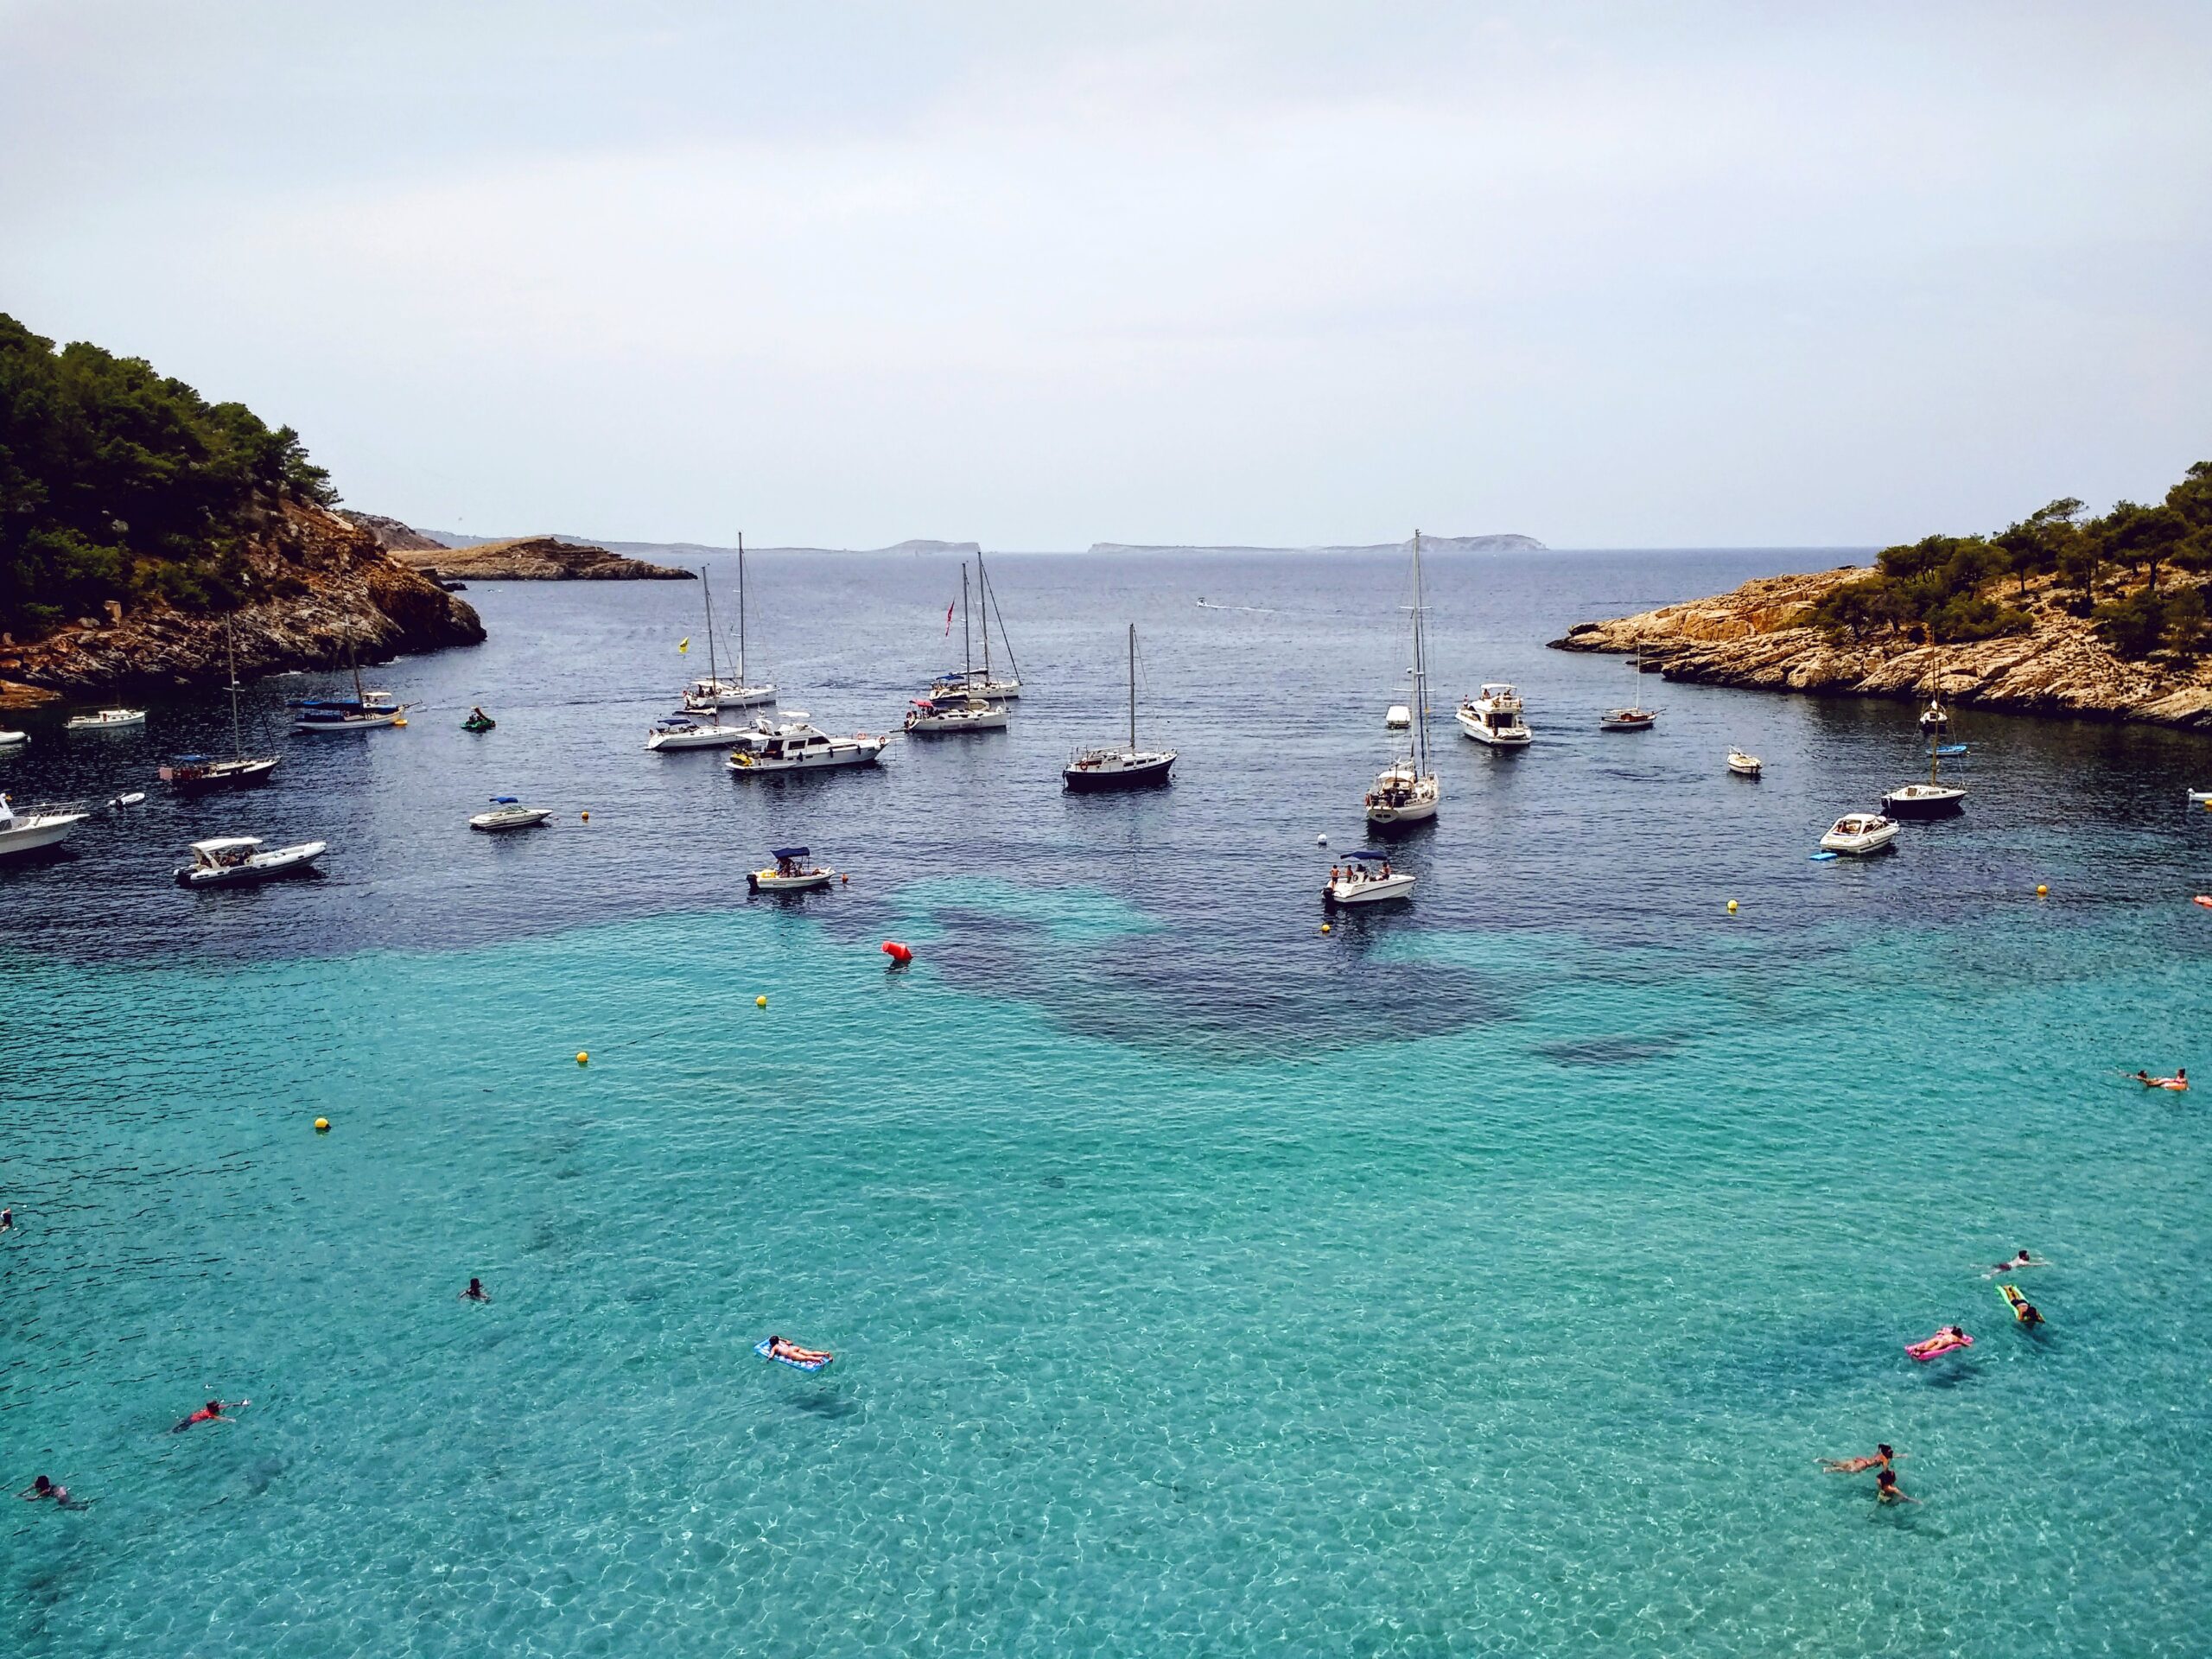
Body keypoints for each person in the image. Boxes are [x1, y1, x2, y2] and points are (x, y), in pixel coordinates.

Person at [171, 1398, 242, 1432]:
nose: (218, 1406)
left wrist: (241, 1404)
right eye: (216, 1405)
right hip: (190, 1421)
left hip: (192, 1417)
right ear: (212, 1408)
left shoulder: (216, 1408)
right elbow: (218, 1418)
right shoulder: (208, 1413)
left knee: (179, 1425)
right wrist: (230, 1420)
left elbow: (229, 1405)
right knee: (177, 1430)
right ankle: (166, 1435)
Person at [1820, 1443, 1896, 1474]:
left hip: (1860, 1460)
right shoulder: (1884, 1459)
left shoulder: (1879, 1453)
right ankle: (1828, 1469)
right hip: (1863, 1465)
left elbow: (1894, 1455)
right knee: (1848, 1470)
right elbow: (1885, 1470)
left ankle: (1823, 1460)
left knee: (1840, 1463)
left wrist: (1901, 1456)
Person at [765, 1335, 832, 1365]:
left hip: (790, 1353)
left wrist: (768, 1360)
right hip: (793, 1348)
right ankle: (825, 1354)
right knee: (811, 1353)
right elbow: (790, 1342)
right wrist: (782, 1339)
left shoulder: (775, 1347)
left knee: (805, 1358)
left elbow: (771, 1355)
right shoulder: (781, 1342)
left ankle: (818, 1360)